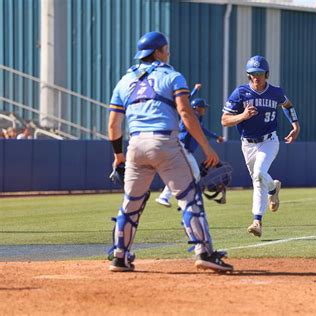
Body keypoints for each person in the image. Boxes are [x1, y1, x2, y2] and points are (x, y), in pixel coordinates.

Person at [107, 31, 233, 272]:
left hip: (135, 146)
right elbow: (186, 114)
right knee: (189, 197)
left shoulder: (124, 81)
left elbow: (113, 124)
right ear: (157, 52)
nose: (168, 53)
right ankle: (204, 252)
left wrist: (118, 156)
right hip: (164, 143)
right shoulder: (172, 75)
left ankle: (120, 256)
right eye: (166, 49)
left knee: (131, 203)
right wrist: (207, 148)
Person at [221, 55, 300, 238]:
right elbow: (224, 120)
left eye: (260, 73)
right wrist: (242, 116)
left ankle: (257, 222)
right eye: (252, 73)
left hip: (269, 141)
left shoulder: (275, 92)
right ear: (248, 75)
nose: (256, 77)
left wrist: (295, 124)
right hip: (247, 144)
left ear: (267, 74)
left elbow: (287, 105)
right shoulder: (240, 93)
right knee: (259, 179)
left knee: (258, 174)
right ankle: (273, 189)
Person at [156, 96, 224, 208]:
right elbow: (196, 127)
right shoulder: (191, 116)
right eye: (202, 108)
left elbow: (202, 130)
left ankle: (168, 197)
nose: (204, 110)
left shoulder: (195, 117)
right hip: (181, 147)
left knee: (184, 174)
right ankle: (184, 198)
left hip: (183, 149)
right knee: (195, 173)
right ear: (196, 107)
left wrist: (216, 136)